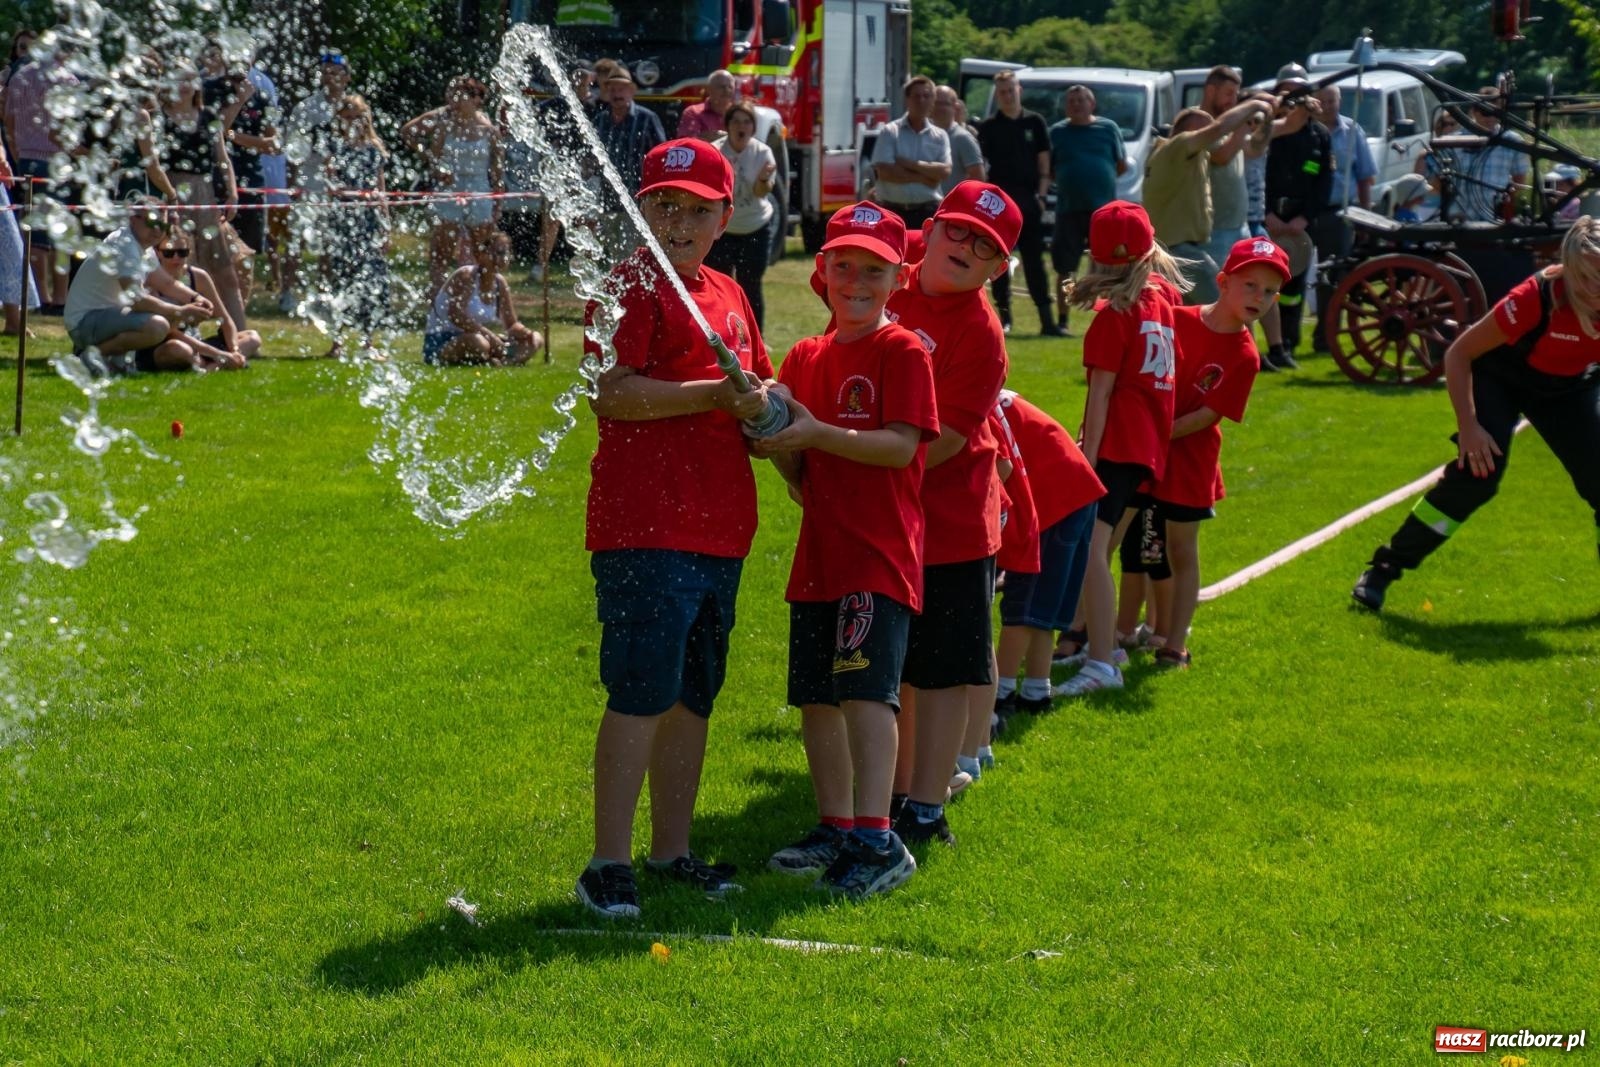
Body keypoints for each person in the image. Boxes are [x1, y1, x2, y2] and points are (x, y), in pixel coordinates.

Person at [575, 138, 774, 919]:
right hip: (645, 528)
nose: (680, 221)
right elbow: (612, 395)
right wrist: (713, 396)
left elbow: (751, 391)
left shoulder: (727, 290)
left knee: (694, 696)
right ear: (639, 207)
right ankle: (607, 863)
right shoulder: (627, 287)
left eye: (698, 209)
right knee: (641, 693)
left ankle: (672, 851)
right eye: (664, 205)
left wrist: (769, 413)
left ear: (726, 216)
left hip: (721, 527)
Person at [755, 202, 937, 897]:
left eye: (874, 270)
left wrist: (814, 432)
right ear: (821, 273)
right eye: (843, 265)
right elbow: (794, 460)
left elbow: (899, 447)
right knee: (818, 696)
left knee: (866, 693)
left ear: (897, 279)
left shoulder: (902, 351)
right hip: (821, 553)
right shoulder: (805, 356)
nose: (856, 280)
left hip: (877, 553)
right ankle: (835, 824)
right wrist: (770, 429)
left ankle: (877, 836)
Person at [1352, 217, 1600, 611]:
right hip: (1501, 378)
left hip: (1567, 388)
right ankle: (1384, 568)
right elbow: (1459, 354)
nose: (1597, 291)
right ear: (1570, 269)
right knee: (1477, 476)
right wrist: (1469, 428)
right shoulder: (1532, 299)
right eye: (1589, 279)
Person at [885, 181, 1019, 848]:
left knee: (939, 671)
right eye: (958, 230)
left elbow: (947, 443)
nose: (966, 247)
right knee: (893, 663)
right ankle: (893, 794)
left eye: (986, 245)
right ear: (931, 228)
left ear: (999, 268)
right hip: (887, 512)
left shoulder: (980, 333)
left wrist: (853, 459)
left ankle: (928, 807)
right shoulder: (885, 283)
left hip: (954, 523)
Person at [1054, 201, 1189, 697]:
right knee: (1101, 549)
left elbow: (1102, 393)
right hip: (1148, 447)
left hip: (1118, 447)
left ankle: (1102, 659)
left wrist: (1085, 459)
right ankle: (1090, 644)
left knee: (1091, 550)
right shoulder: (1161, 300)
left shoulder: (1116, 316)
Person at [1148, 237, 1287, 667]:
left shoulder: (1245, 355)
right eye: (1250, 285)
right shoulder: (1175, 320)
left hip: (1190, 463)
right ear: (1223, 282)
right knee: (1148, 548)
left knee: (1182, 551)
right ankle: (1144, 630)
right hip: (1150, 453)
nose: (1258, 298)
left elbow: (1208, 416)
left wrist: (1155, 433)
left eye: (1268, 292)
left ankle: (1176, 643)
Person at [992, 389, 1104, 716]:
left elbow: (1000, 469)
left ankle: (1001, 694)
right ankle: (1036, 692)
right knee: (1042, 612)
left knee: (1022, 609)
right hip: (1074, 490)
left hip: (1054, 499)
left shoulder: (967, 404)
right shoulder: (989, 395)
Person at [62, 198, 217, 372]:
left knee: (163, 316)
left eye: (163, 225)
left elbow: (166, 283)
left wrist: (195, 298)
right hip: (85, 323)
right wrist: (181, 311)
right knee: (158, 325)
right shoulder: (125, 245)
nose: (158, 230)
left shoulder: (143, 247)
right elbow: (136, 300)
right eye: (152, 222)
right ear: (132, 218)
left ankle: (112, 361)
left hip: (102, 318)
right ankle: (90, 357)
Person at [1143, 99, 1272, 305]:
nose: (1216, 134)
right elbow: (1221, 128)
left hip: (1171, 251)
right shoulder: (1177, 146)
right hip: (1180, 252)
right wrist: (1256, 104)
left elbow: (1250, 147)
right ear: (1191, 131)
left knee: (1186, 321)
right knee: (1226, 307)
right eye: (1207, 128)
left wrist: (1262, 120)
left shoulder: (1182, 157)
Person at [157, 58, 247, 333]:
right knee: (180, 266)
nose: (184, 86)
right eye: (178, 79)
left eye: (189, 79)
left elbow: (222, 158)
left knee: (223, 268)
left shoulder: (208, 116)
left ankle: (238, 331)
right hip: (171, 192)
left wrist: (232, 192)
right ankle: (183, 333)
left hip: (204, 194)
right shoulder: (159, 118)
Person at [401, 76, 503, 298]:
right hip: (449, 190)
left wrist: (498, 203)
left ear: (476, 100)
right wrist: (436, 167)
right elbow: (433, 157)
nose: (454, 101)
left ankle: (484, 296)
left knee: (482, 250)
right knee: (442, 249)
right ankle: (438, 297)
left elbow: (497, 170)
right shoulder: (444, 124)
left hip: (479, 191)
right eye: (452, 96)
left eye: (460, 97)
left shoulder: (489, 130)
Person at [977, 70, 1058, 336]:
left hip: (1030, 202)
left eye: (1011, 90)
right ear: (997, 94)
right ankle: (1004, 319)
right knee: (998, 261)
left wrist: (1043, 196)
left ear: (1019, 90)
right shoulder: (988, 128)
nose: (1007, 95)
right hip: (1000, 205)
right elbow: (983, 168)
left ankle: (1047, 321)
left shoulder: (1035, 122)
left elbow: (1044, 163)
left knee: (1035, 263)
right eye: (1002, 91)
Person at [1262, 71, 1332, 368]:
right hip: (1269, 218)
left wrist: (1305, 218)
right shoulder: (1267, 131)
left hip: (1299, 221)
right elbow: (1255, 175)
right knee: (1264, 282)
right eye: (1286, 94)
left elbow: (1324, 181)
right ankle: (1266, 344)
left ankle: (1287, 343)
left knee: (1295, 285)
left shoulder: (1318, 135)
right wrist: (1267, 215)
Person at [3, 35, 77, 311]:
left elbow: (8, 121)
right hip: (56, 163)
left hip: (25, 161)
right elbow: (64, 131)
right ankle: (59, 299)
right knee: (60, 235)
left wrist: (17, 149)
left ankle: (38, 297)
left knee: (33, 231)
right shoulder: (66, 80)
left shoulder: (20, 76)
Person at [1047, 85, 1126, 334]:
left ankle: (1110, 318)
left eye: (1082, 100)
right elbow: (1049, 170)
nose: (1077, 104)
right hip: (1068, 209)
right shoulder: (1057, 132)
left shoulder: (1108, 128)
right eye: (1071, 101)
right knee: (1064, 268)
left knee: (1107, 266)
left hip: (1102, 214)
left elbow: (1120, 165)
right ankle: (1063, 321)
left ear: (1092, 104)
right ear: (1065, 106)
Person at [282, 50, 353, 311]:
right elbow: (292, 148)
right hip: (310, 179)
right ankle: (287, 290)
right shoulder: (307, 107)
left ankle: (325, 291)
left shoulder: (353, 106)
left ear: (347, 77)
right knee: (297, 238)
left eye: (336, 73)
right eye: (326, 73)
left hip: (342, 183)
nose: (330, 78)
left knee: (330, 241)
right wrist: (293, 183)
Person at [325, 94, 394, 356]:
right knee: (342, 277)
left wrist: (386, 227)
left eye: (357, 116)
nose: (353, 121)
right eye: (348, 116)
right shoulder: (335, 146)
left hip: (368, 221)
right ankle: (337, 342)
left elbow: (381, 190)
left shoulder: (374, 149)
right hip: (343, 220)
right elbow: (329, 182)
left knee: (372, 280)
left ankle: (368, 341)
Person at [1310, 83, 1377, 352]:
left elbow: (1365, 177)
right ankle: (1289, 338)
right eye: (1323, 101)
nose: (1328, 106)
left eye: (1332, 101)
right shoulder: (1306, 131)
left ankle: (1326, 334)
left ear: (1339, 102)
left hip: (1340, 212)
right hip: (1308, 211)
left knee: (1335, 275)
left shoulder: (1352, 131)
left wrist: (1365, 216)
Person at [423, 228, 542, 366]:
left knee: (536, 338)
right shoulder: (467, 276)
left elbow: (511, 324)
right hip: (443, 341)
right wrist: (490, 336)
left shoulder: (499, 282)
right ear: (481, 255)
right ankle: (496, 360)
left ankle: (507, 362)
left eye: (506, 253)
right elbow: (456, 315)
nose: (503, 258)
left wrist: (523, 331)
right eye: (498, 252)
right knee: (479, 343)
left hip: (480, 338)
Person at [705, 101, 776, 328]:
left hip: (755, 227)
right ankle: (720, 333)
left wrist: (764, 179)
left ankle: (757, 338)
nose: (741, 126)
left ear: (753, 128)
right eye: (735, 121)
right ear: (728, 126)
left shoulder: (763, 152)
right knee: (718, 285)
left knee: (751, 285)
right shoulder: (715, 152)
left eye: (746, 122)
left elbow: (760, 193)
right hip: (723, 230)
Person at [149, 227, 259, 365]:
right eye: (168, 253)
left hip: (197, 343)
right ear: (157, 253)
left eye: (182, 252)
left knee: (252, 337)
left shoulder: (198, 276)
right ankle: (216, 364)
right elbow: (171, 332)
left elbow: (224, 318)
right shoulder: (152, 279)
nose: (176, 257)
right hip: (167, 342)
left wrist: (234, 349)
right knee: (176, 349)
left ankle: (212, 364)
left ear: (189, 253)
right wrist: (218, 354)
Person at [591, 65, 665, 261]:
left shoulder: (647, 119)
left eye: (621, 89)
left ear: (631, 91)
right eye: (612, 89)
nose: (617, 94)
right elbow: (591, 159)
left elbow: (662, 158)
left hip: (638, 203)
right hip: (609, 203)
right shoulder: (600, 121)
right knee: (615, 259)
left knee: (637, 257)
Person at [869, 76, 950, 231]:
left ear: (933, 100)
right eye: (916, 96)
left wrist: (909, 164)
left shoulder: (940, 136)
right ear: (907, 100)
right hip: (892, 211)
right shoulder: (890, 131)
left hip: (927, 212)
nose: (921, 101)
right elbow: (885, 173)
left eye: (926, 96)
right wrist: (924, 178)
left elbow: (944, 171)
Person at [932, 85, 984, 197]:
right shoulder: (923, 134)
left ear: (955, 107)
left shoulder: (963, 138)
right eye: (936, 103)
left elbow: (978, 177)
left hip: (948, 207)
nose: (939, 108)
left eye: (944, 104)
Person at [677, 69, 736, 140]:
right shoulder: (693, 112)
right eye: (721, 87)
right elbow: (686, 142)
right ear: (709, 89)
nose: (727, 90)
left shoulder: (739, 113)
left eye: (730, 87)